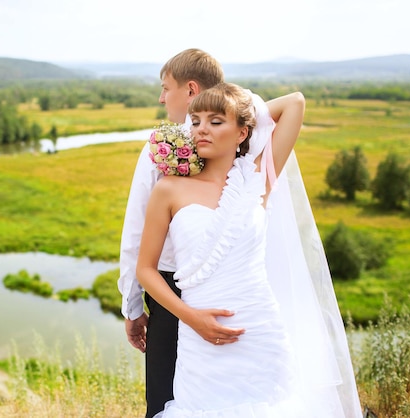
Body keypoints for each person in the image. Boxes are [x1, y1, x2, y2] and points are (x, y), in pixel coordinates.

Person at [136, 82, 361, 417]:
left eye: (215, 121)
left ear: (243, 133)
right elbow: (146, 270)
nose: (200, 130)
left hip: (261, 333)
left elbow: (295, 103)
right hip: (200, 340)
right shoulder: (169, 189)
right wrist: (193, 318)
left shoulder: (257, 179)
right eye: (194, 121)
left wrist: (237, 108)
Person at [118, 48, 243, 418]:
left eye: (165, 87)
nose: (161, 97)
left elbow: (136, 231)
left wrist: (132, 305)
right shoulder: (243, 140)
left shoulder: (160, 147)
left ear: (190, 89)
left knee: (165, 398)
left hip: (171, 290)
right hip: (233, 293)